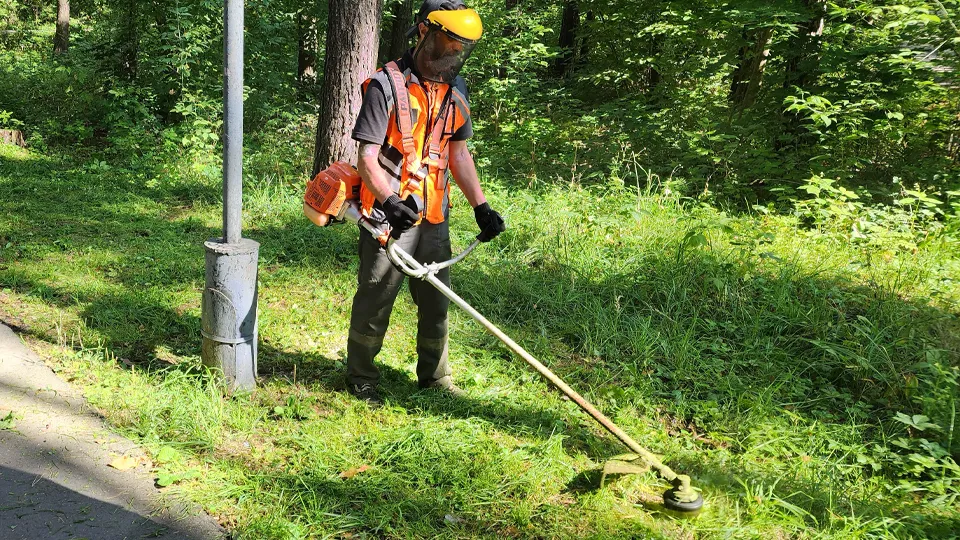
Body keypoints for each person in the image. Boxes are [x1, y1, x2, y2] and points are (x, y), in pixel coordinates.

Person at [346, 0, 505, 406]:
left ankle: (435, 377)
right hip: (390, 215)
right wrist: (389, 198)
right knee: (376, 298)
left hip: (435, 215)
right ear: (422, 32)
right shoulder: (385, 85)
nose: (453, 55)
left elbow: (459, 154)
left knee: (436, 302)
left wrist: (481, 207)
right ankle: (361, 375)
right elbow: (366, 157)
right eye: (447, 44)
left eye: (461, 48)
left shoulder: (456, 89)